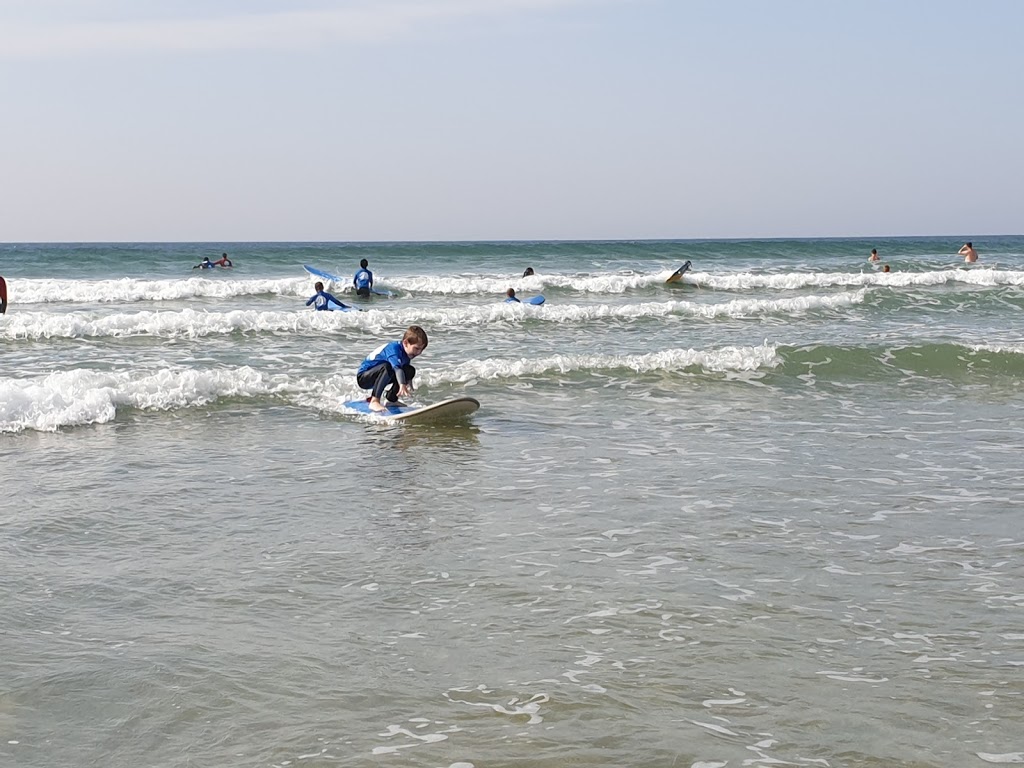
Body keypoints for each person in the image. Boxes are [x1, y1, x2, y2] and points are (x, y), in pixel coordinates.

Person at [357, 326, 428, 411]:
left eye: (421, 349)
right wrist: (402, 384)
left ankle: (391, 400)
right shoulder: (394, 349)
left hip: (382, 376)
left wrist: (408, 382)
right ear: (405, 343)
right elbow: (397, 369)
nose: (419, 352)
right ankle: (374, 401)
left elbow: (404, 370)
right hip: (364, 377)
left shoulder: (406, 354)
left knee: (409, 370)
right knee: (387, 367)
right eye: (416, 348)